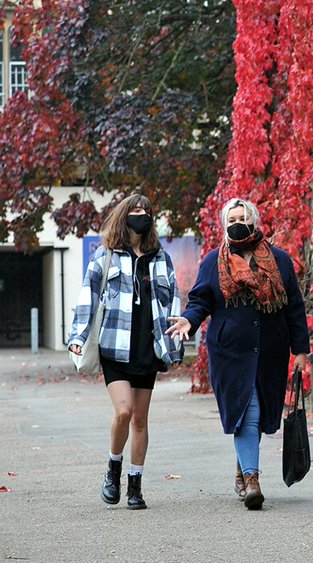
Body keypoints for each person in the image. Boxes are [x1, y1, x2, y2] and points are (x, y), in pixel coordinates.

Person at [167, 198, 310, 510]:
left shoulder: (280, 260)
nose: (237, 222)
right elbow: (200, 301)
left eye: (243, 217)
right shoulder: (212, 263)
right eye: (232, 217)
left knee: (257, 418)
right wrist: (189, 321)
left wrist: (300, 350)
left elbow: (294, 308)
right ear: (224, 223)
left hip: (270, 353)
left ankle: (241, 467)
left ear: (255, 221)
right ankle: (252, 479)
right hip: (230, 354)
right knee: (248, 411)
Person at [67, 194, 183, 510]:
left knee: (141, 421)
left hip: (148, 348)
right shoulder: (105, 255)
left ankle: (135, 486)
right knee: (124, 412)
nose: (141, 214)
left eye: (146, 210)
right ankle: (113, 468)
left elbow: (172, 302)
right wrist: (77, 337)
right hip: (114, 346)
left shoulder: (161, 258)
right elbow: (87, 297)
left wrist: (173, 344)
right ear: (123, 215)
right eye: (135, 209)